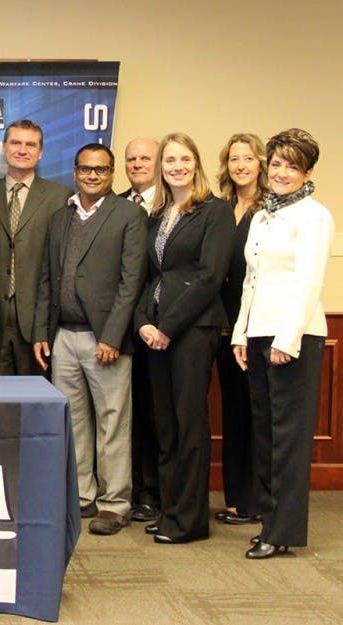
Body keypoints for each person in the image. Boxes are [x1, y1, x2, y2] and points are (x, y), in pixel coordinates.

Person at [33, 144, 147, 536]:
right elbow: (47, 278)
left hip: (105, 340)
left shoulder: (129, 215)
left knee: (113, 421)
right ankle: (82, 495)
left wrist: (113, 335)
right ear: (75, 172)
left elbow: (132, 282)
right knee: (75, 421)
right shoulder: (60, 216)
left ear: (112, 173)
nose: (92, 176)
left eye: (100, 170)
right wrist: (41, 333)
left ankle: (115, 502)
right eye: (85, 169)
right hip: (64, 335)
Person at [232, 128, 334, 559]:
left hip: (295, 336)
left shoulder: (315, 216)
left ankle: (283, 530)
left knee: (288, 437)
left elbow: (309, 282)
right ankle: (269, 521)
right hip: (258, 333)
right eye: (276, 164)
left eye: (292, 166)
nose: (281, 172)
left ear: (307, 171)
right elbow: (251, 281)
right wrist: (242, 332)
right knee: (265, 433)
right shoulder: (262, 215)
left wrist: (286, 339)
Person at [135, 133, 234, 544]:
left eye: (184, 159)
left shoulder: (215, 212)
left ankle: (190, 521)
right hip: (155, 330)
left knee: (189, 422)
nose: (176, 166)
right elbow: (150, 276)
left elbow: (210, 277)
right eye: (169, 160)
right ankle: (171, 510)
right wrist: (143, 321)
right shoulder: (158, 214)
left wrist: (168, 328)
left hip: (192, 330)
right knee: (165, 425)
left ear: (197, 163)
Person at [0, 120, 70, 375]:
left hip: (37, 322)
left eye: (30, 144)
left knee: (35, 405)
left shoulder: (61, 197)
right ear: (4, 147)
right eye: (16, 143)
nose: (22, 149)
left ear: (40, 152)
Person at [213, 133, 270, 526]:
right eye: (234, 159)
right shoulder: (220, 209)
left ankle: (257, 500)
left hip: (257, 324)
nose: (241, 166)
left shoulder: (272, 211)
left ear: (261, 163)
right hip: (221, 324)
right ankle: (235, 499)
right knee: (232, 411)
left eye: (248, 158)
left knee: (257, 413)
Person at [120, 137, 162, 523]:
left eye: (145, 158)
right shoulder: (116, 205)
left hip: (161, 327)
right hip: (122, 325)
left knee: (153, 412)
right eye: (131, 159)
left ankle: (153, 492)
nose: (137, 164)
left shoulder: (175, 206)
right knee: (127, 414)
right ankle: (132, 489)